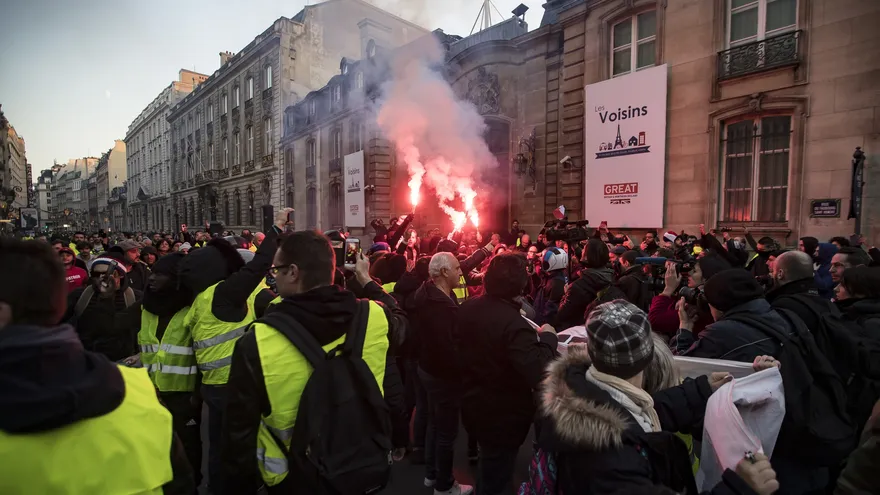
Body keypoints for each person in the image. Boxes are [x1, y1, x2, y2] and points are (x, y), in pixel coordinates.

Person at [0, 238, 193, 494]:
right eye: (96, 275)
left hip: (130, 365)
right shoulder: (140, 394)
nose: (101, 279)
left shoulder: (137, 300)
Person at [220, 230, 407, 494]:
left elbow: (238, 436)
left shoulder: (257, 340)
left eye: (277, 270)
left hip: (295, 478)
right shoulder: (375, 315)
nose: (274, 276)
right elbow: (393, 379)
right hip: (362, 466)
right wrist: (366, 279)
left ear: (293, 272)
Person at [535, 299, 774, 494]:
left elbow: (635, 414)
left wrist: (702, 388)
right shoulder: (612, 458)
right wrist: (740, 488)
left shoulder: (580, 391)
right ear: (650, 354)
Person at [178, 208, 289, 492]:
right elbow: (260, 265)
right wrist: (275, 229)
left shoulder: (200, 301)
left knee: (219, 445)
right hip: (235, 385)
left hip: (212, 387)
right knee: (242, 446)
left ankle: (218, 487)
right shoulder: (224, 293)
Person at [456, 253, 558, 495]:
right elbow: (539, 370)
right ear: (521, 285)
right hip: (503, 415)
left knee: (490, 465)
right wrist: (548, 338)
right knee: (497, 475)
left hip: (473, 402)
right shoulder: (514, 325)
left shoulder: (467, 307)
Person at [135, 252, 202, 489]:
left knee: (187, 458)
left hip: (184, 400)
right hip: (151, 397)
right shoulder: (145, 308)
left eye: (159, 274)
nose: (151, 279)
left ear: (175, 279)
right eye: (152, 273)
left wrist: (197, 395)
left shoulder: (192, 309)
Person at [411, 252, 473, 495]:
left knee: (435, 426)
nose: (461, 272)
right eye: (457, 268)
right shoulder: (441, 307)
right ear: (445, 272)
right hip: (441, 376)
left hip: (427, 369)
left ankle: (431, 474)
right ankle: (445, 486)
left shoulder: (427, 292)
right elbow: (448, 349)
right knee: (446, 432)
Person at [675, 269, 781, 361]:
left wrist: (684, 326)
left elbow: (682, 363)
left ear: (719, 306)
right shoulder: (780, 314)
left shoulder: (720, 333)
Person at [65, 254, 141, 362]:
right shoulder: (81, 295)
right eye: (96, 274)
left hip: (123, 360)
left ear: (120, 275)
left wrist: (139, 355)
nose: (101, 278)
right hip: (84, 359)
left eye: (106, 273)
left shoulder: (134, 297)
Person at [649, 254, 731, 340]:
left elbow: (655, 321)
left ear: (706, 278)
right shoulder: (718, 297)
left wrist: (668, 289)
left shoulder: (701, 305)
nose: (689, 273)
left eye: (694, 271)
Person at [556, 238, 614, 329]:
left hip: (581, 329)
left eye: (584, 249)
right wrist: (575, 247)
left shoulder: (578, 286)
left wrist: (566, 294)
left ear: (587, 256)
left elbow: (561, 314)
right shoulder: (612, 276)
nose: (582, 250)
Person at [532, 247, 568, 327]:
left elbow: (550, 312)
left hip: (545, 326)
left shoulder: (556, 283)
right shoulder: (556, 277)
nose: (541, 259)